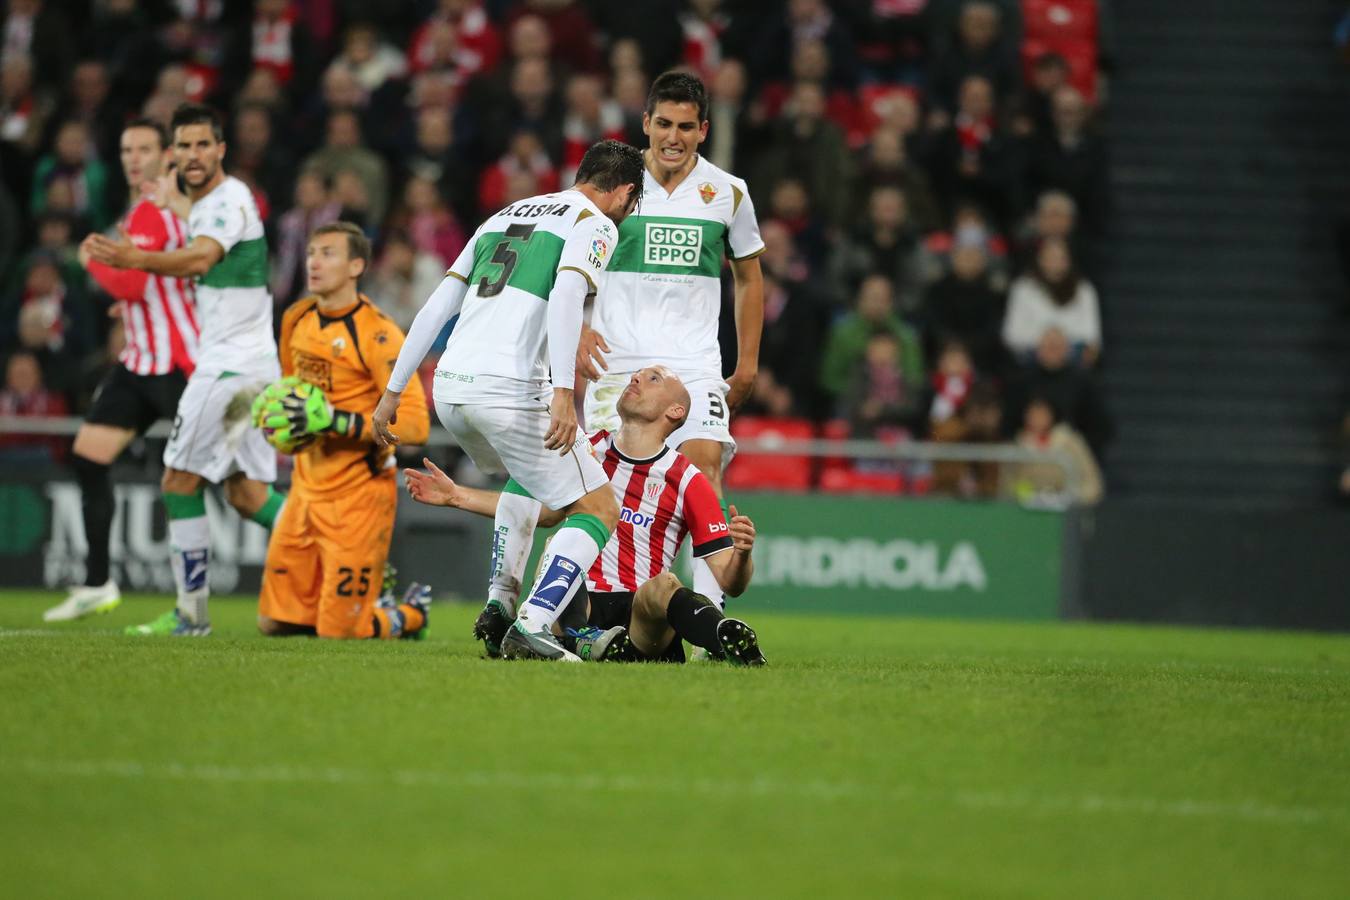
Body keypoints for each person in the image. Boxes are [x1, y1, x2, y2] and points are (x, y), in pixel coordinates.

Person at [372, 139, 644, 662]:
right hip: (510, 389)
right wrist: (563, 392)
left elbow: (438, 305)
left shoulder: (505, 214)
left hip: (450, 390)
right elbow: (566, 295)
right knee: (598, 506)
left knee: (535, 483)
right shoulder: (596, 224)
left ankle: (500, 603)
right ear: (624, 192)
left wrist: (392, 391)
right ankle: (534, 622)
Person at [404, 366, 764, 666]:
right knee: (554, 548)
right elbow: (540, 514)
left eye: (653, 379)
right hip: (581, 603)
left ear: (676, 411)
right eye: (636, 376)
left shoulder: (688, 479)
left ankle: (726, 639)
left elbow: (730, 581)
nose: (636, 380)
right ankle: (577, 638)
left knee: (666, 586)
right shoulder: (584, 451)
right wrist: (456, 496)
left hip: (641, 616)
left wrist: (743, 554)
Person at [86, 103, 283, 637]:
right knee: (247, 495)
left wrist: (135, 259)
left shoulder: (225, 200)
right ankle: (348, 561)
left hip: (227, 369)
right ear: (175, 154)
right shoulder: (203, 201)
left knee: (178, 480)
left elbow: (198, 259)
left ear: (221, 149)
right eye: (185, 147)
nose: (194, 156)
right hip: (252, 366)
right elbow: (186, 223)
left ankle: (191, 614)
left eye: (204, 145)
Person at [577, 71, 765, 613]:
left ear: (703, 129)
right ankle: (602, 608)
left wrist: (746, 363)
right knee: (604, 487)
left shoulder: (729, 193)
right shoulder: (616, 187)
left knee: (704, 468)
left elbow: (750, 278)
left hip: (694, 361)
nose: (673, 137)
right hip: (618, 360)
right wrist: (580, 324)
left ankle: (708, 617)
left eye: (686, 126)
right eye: (663, 124)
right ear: (646, 124)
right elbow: (574, 259)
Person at [42, 118, 199, 623]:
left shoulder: (154, 210)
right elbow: (147, 290)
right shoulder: (146, 211)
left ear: (167, 156)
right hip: (140, 362)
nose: (134, 157)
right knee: (89, 456)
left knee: (233, 484)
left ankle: (310, 554)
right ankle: (96, 582)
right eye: (127, 148)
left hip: (177, 365)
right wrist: (131, 309)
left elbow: (132, 283)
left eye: (145, 148)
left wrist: (90, 260)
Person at [255, 223, 431, 639]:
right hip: (304, 490)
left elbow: (415, 425)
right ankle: (374, 599)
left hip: (359, 497)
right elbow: (290, 392)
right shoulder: (296, 318)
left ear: (356, 266)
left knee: (340, 632)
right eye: (312, 252)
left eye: (328, 253)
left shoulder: (380, 334)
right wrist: (275, 418)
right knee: (274, 623)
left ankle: (409, 614)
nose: (314, 262)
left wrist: (336, 422)